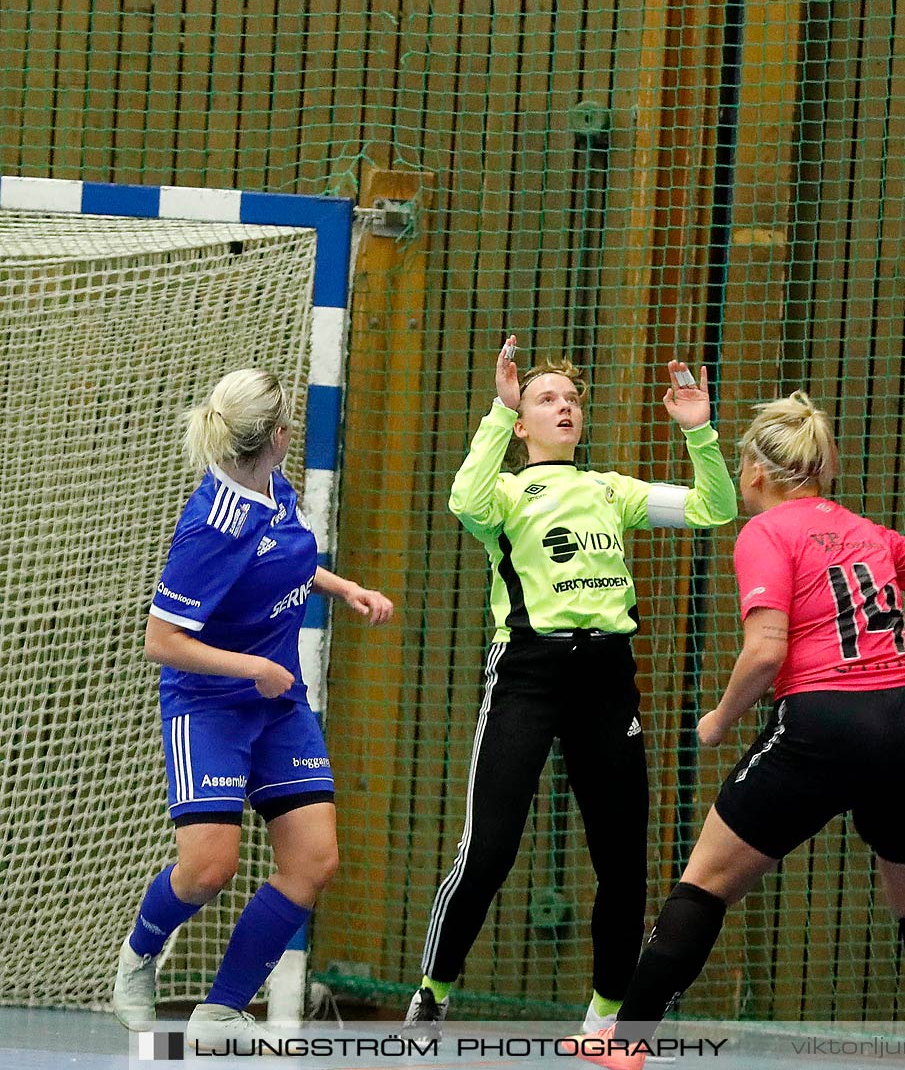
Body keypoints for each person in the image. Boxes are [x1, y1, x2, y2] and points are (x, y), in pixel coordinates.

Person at [573, 393, 905, 1070]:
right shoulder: (864, 530)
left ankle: (625, 1045)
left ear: (757, 472)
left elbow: (766, 650)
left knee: (705, 880)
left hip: (826, 724)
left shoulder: (765, 533)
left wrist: (717, 720)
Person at [403, 336, 738, 1036]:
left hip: (606, 677)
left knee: (621, 861)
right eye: (546, 399)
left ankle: (605, 1015)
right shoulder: (502, 490)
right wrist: (498, 413)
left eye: (572, 400)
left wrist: (698, 430)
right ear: (522, 423)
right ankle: (435, 987)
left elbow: (714, 508)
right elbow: (463, 499)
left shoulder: (608, 490)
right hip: (528, 671)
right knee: (488, 848)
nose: (564, 408)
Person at [111, 368, 395, 1051]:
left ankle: (222, 1010)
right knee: (210, 868)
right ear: (277, 435)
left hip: (277, 705)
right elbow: (161, 641)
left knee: (314, 862)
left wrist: (344, 586)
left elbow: (286, 557)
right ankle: (138, 955)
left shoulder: (274, 483)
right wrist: (252, 666)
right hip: (209, 705)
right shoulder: (211, 526)